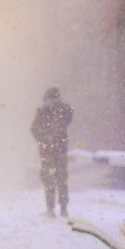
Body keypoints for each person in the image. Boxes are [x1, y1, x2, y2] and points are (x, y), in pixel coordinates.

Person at [31, 87, 74, 217]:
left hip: (47, 151)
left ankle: (50, 208)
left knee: (48, 179)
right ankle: (64, 208)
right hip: (61, 149)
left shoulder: (43, 111)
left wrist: (42, 140)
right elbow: (69, 119)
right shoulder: (65, 110)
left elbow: (33, 129)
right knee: (62, 178)